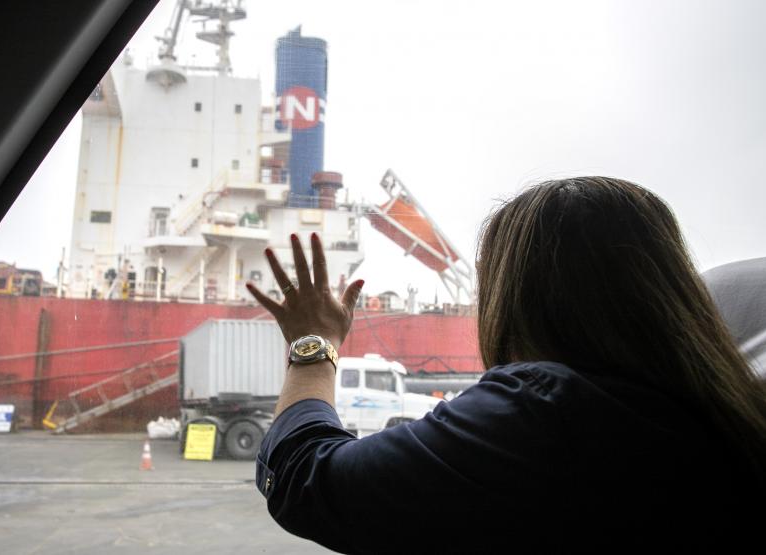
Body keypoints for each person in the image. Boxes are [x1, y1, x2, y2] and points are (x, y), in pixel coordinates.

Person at [245, 177, 766, 554]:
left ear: (516, 298)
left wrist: (313, 344)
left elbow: (303, 479)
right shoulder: (730, 409)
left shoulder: (541, 412)